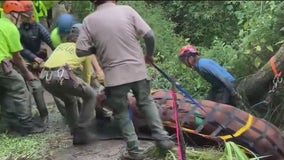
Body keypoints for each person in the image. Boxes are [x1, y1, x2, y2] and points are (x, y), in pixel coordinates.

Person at [76, 0, 175, 159]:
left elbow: (80, 51)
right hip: (137, 70)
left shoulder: (88, 21)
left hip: (114, 76)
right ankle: (161, 137)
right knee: (146, 102)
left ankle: (135, 152)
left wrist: (98, 47)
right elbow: (149, 35)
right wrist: (149, 55)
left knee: (121, 113)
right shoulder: (127, 10)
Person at [40, 23, 97, 145]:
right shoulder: (84, 50)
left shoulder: (61, 46)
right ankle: (82, 130)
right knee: (91, 95)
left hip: (45, 78)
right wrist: (84, 93)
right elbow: (87, 74)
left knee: (70, 101)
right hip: (62, 76)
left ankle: (75, 134)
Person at [0, 0, 45, 135]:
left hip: (4, 61)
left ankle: (7, 125)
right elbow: (17, 56)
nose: (21, 20)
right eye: (21, 16)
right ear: (13, 15)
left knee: (4, 93)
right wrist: (27, 74)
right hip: (2, 65)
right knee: (20, 89)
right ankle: (27, 125)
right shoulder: (10, 28)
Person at [18, 0, 55, 126]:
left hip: (43, 60)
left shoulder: (38, 27)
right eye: (25, 16)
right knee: (36, 89)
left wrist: (58, 54)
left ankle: (68, 113)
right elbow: (20, 48)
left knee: (54, 84)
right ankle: (43, 115)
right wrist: (33, 58)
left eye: (30, 15)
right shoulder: (17, 29)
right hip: (27, 62)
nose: (30, 18)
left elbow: (50, 41)